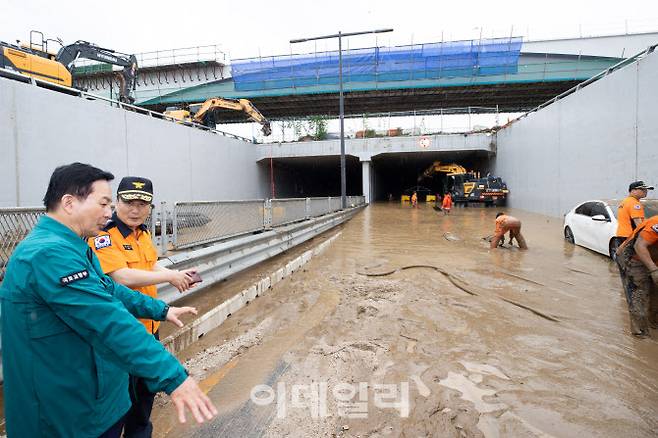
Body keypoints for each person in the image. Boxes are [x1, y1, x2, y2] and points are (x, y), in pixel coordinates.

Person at [0, 163, 217, 438]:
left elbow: (111, 290)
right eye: (103, 203)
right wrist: (174, 377)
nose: (108, 212)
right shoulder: (49, 255)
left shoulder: (73, 246)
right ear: (69, 203)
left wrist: (160, 310)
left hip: (95, 402)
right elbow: (108, 320)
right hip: (66, 418)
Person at [89, 176, 198, 438]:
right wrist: (169, 277)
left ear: (150, 207)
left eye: (142, 204)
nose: (135, 210)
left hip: (149, 329)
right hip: (122, 333)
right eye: (129, 202)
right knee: (119, 404)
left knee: (143, 400)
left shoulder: (143, 233)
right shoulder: (104, 235)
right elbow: (121, 277)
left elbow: (149, 266)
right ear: (117, 202)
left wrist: (177, 273)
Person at [616, 215, 658, 337]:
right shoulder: (656, 223)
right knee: (638, 296)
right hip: (633, 259)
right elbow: (639, 246)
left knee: (656, 295)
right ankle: (640, 334)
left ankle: (654, 323)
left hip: (654, 258)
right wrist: (654, 270)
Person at [613, 181, 654, 250]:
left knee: (626, 257)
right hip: (631, 236)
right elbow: (639, 224)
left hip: (622, 234)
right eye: (642, 189)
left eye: (646, 189)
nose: (645, 191)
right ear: (633, 190)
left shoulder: (625, 201)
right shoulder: (634, 204)